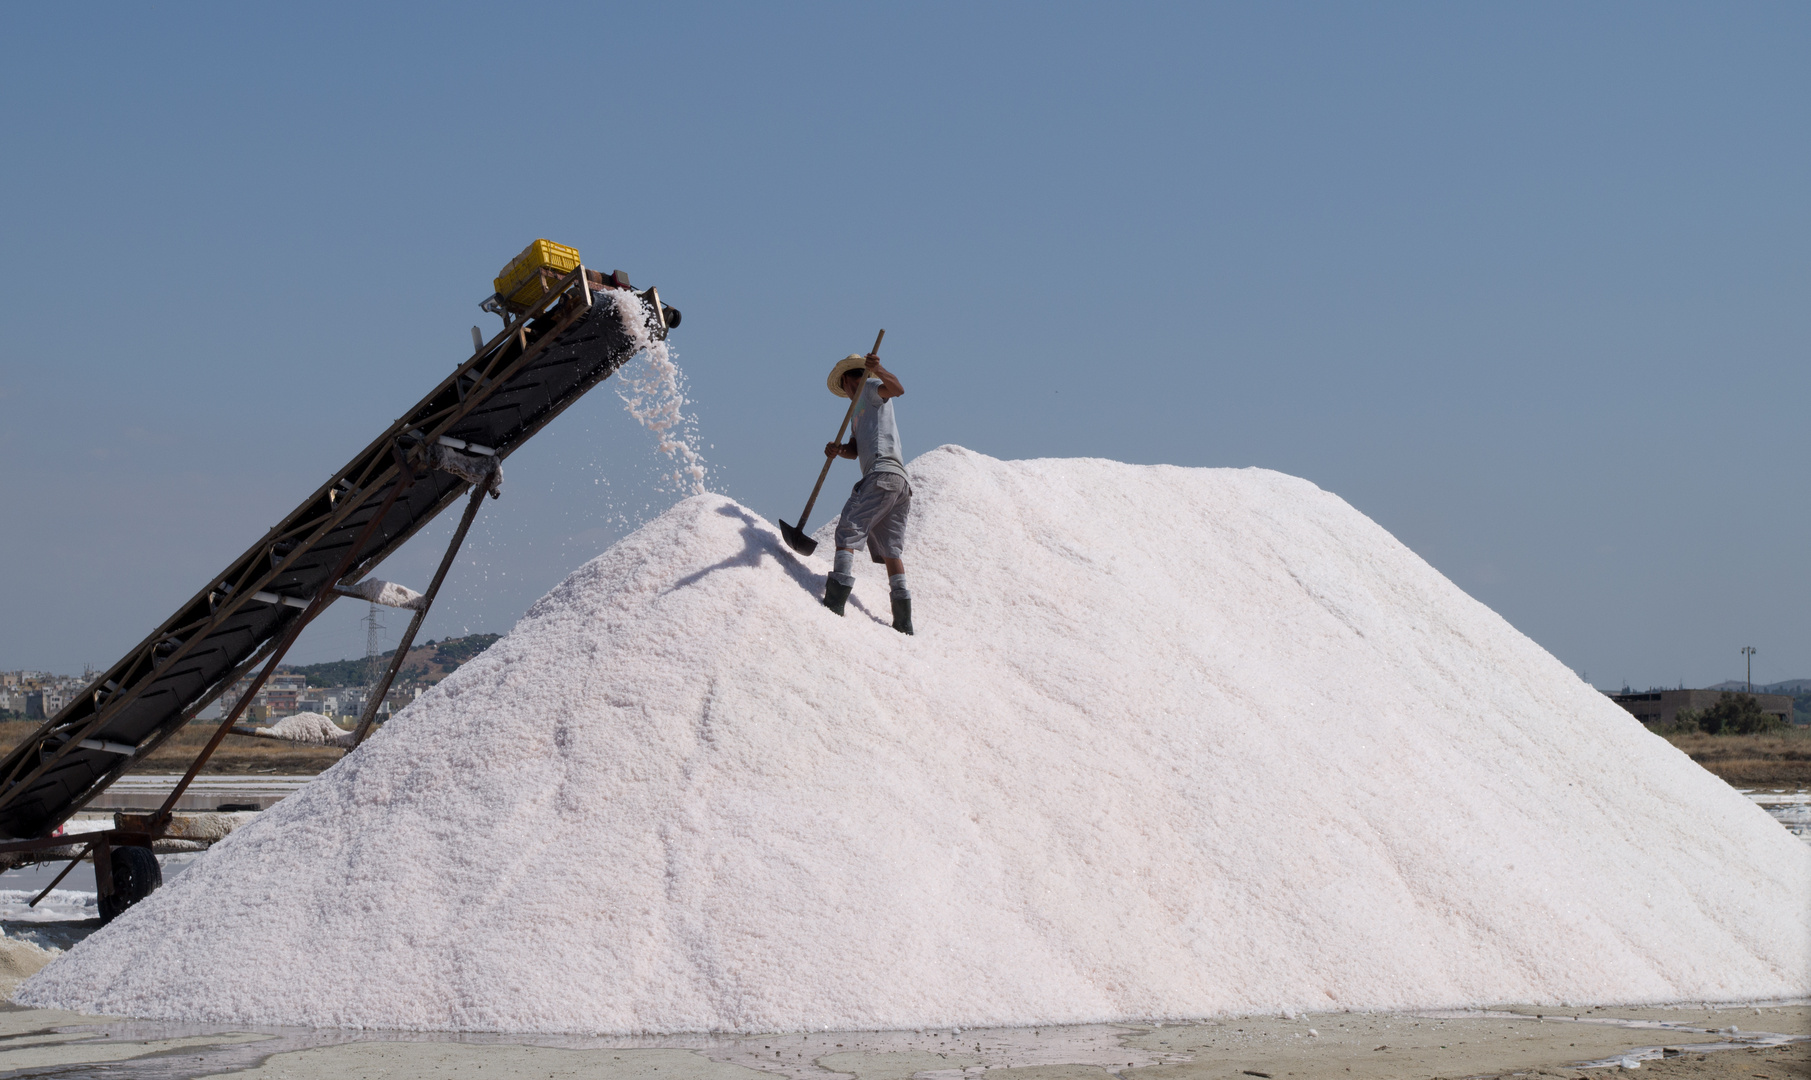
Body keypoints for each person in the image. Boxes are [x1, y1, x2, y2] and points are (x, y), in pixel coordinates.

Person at [821, 350, 913, 634]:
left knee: (849, 527)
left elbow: (898, 389)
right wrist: (839, 451)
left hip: (882, 475)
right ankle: (903, 622)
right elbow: (856, 449)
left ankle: (835, 602)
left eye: (849, 381)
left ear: (849, 379)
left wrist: (880, 369)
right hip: (899, 483)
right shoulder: (857, 412)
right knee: (890, 549)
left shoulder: (872, 390)